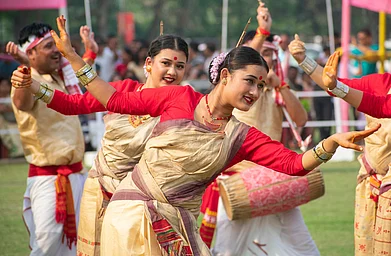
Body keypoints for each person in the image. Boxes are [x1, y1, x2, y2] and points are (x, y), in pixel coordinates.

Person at [16, 15, 379, 255]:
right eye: (248, 81)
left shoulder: (241, 136)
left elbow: (294, 164)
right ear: (224, 77)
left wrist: (329, 144)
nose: (254, 91)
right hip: (128, 211)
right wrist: (74, 57)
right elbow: (107, 98)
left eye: (260, 84)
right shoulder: (178, 98)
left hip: (178, 222)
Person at [12, 32, 188, 255]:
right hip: (100, 193)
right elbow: (71, 105)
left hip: (144, 201)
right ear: (149, 63)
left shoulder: (181, 104)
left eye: (180, 66)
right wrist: (33, 86)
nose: (172, 72)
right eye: (166, 63)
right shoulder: (123, 90)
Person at [201, 5, 318, 253]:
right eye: (262, 53)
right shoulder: (239, 91)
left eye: (271, 55)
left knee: (302, 244)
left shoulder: (276, 89)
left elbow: (300, 120)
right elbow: (243, 62)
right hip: (237, 180)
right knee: (226, 248)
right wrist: (263, 31)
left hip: (272, 177)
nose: (268, 59)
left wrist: (282, 87)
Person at [289, 34, 391, 256]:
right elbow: (333, 83)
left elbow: (378, 106)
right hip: (371, 184)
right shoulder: (381, 83)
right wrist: (303, 59)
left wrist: (336, 87)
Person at [7, 22, 87, 255]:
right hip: (50, 182)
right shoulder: (27, 80)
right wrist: (24, 68)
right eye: (49, 46)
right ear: (30, 53)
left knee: (80, 247)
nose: (57, 50)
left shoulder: (60, 77)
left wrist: (90, 51)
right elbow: (21, 103)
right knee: (47, 248)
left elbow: (84, 75)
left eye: (57, 45)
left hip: (78, 176)